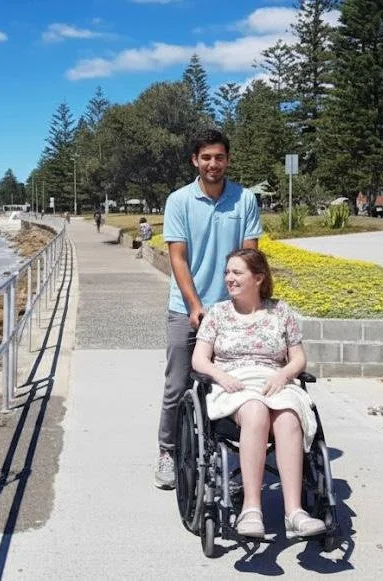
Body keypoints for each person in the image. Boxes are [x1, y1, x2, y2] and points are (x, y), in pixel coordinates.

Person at [191, 248, 325, 539]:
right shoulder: (218, 313)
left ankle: (294, 512)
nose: (229, 278)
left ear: (259, 278)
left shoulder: (281, 311)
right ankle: (251, 509)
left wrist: (284, 374)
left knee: (289, 417)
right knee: (255, 409)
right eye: (227, 272)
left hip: (274, 380)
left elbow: (298, 358)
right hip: (234, 382)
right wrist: (220, 375)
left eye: (237, 272)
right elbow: (199, 360)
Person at [155, 128, 262, 490]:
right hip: (186, 309)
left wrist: (245, 305)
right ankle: (168, 452)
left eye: (219, 157)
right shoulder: (179, 201)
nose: (213, 164)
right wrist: (195, 306)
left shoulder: (244, 199)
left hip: (232, 311)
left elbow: (250, 256)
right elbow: (178, 258)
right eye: (206, 157)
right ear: (195, 161)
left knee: (233, 385)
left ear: (228, 160)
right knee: (177, 385)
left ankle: (225, 456)